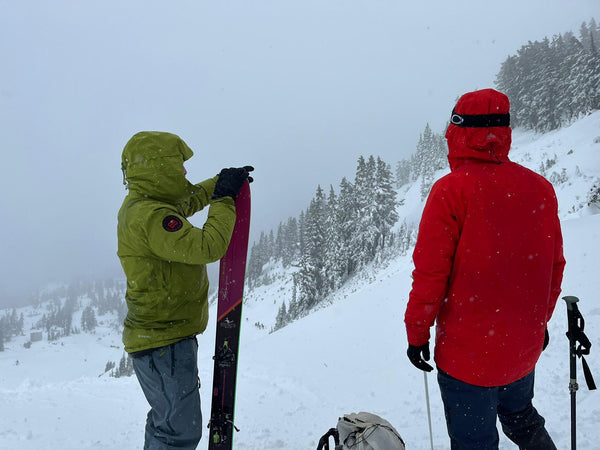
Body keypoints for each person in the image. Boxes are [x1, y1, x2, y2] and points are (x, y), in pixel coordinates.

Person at [404, 89, 565, 450]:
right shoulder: (540, 189)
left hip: (467, 359)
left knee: (474, 442)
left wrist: (417, 334)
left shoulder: (450, 191)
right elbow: (554, 268)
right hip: (522, 349)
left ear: (457, 133)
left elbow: (431, 275)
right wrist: (539, 323)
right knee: (522, 419)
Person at [117, 131, 253, 450]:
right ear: (160, 168)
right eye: (179, 165)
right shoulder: (152, 217)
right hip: (164, 344)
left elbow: (187, 200)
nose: (185, 172)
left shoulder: (145, 204)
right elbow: (208, 246)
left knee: (169, 424)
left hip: (162, 340)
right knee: (178, 432)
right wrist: (222, 200)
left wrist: (221, 182)